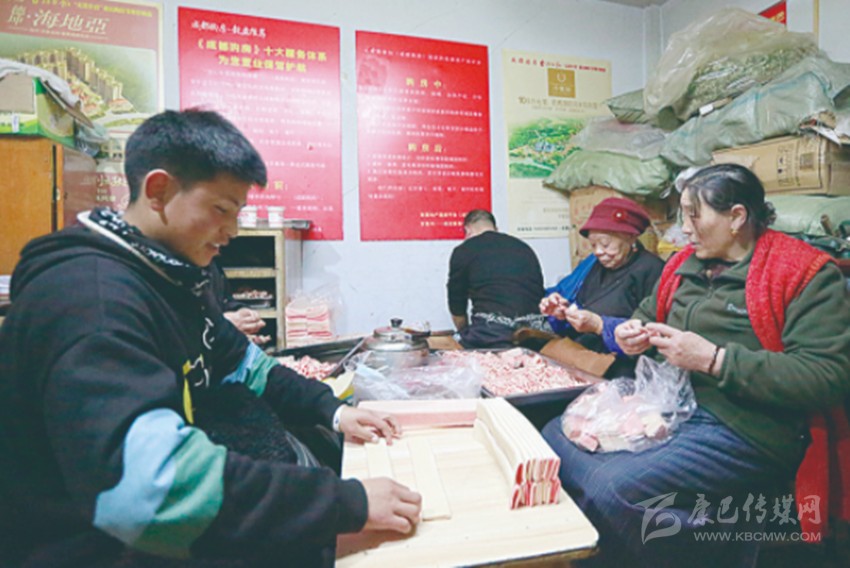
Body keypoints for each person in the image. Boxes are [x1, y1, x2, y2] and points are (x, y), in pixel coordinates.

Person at [0, 109, 421, 568]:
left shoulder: (173, 279)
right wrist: (347, 503)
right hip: (85, 548)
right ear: (159, 191)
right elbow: (154, 488)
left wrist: (334, 412)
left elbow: (248, 366)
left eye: (237, 213)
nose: (232, 232)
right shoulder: (92, 302)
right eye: (221, 210)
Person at [542, 164, 850, 567]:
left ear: (736, 217)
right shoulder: (681, 266)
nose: (684, 229)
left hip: (746, 426)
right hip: (670, 406)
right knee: (555, 437)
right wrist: (633, 334)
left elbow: (826, 377)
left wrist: (715, 360)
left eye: (693, 215)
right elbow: (646, 315)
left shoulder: (803, 273)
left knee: (613, 486)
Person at [536, 197, 663, 376]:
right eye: (593, 245)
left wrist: (599, 325)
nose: (598, 252)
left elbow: (651, 335)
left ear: (631, 236)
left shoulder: (652, 270)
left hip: (621, 368)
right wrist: (562, 314)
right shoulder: (596, 266)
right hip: (582, 355)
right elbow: (582, 309)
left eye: (605, 244)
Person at [447, 209, 547, 348]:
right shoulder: (524, 248)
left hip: (491, 333)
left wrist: (464, 332)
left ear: (467, 231)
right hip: (535, 333)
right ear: (496, 229)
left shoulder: (464, 250)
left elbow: (457, 306)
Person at [209, 259, 272, 346]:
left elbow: (225, 299)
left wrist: (240, 310)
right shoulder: (190, 272)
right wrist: (222, 322)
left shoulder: (212, 265)